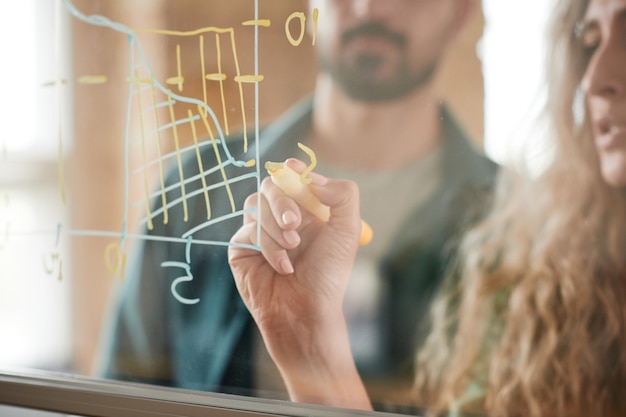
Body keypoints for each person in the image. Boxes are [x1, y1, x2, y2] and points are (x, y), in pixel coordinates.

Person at [229, 0, 626, 415]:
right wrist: (309, 340)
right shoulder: (535, 267)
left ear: (461, 15)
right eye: (590, 42)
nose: (368, 7)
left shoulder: (508, 230)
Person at [98, 0, 497, 409]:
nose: (366, 7)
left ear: (462, 13)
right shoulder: (197, 187)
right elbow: (121, 397)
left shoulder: (514, 224)